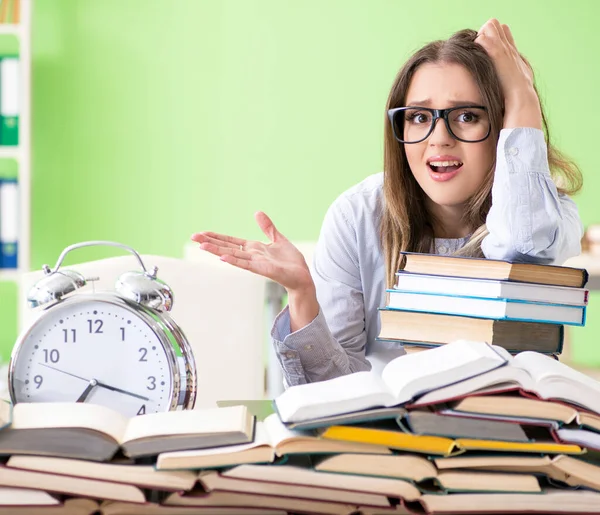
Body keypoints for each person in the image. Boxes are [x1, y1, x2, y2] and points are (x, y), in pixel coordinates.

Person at [191, 19, 583, 388]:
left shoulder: (548, 211)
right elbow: (333, 391)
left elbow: (523, 241)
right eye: (418, 117)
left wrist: (522, 100)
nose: (439, 138)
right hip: (387, 440)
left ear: (502, 125)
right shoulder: (357, 215)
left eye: (466, 116)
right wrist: (302, 297)